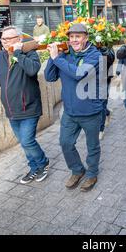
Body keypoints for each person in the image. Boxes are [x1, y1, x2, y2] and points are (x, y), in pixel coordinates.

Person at [0, 26, 49, 185]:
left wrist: (18, 53)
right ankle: (34, 168)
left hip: (29, 108)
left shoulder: (29, 53)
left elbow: (33, 70)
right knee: (24, 143)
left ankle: (43, 162)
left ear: (19, 39)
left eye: (9, 39)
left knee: (27, 141)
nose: (5, 42)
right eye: (3, 39)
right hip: (11, 110)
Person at [44, 23, 103, 192]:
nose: (74, 40)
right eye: (71, 37)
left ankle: (92, 174)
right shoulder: (64, 55)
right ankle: (77, 170)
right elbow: (49, 77)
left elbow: (79, 73)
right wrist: (52, 56)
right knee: (65, 143)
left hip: (90, 110)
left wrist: (57, 59)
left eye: (78, 36)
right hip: (70, 111)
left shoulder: (95, 55)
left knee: (92, 146)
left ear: (86, 38)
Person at [98, 44, 116, 140]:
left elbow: (111, 58)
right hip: (91, 79)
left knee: (102, 103)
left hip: (104, 78)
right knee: (97, 104)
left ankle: (101, 129)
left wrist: (103, 48)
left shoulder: (106, 42)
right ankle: (107, 112)